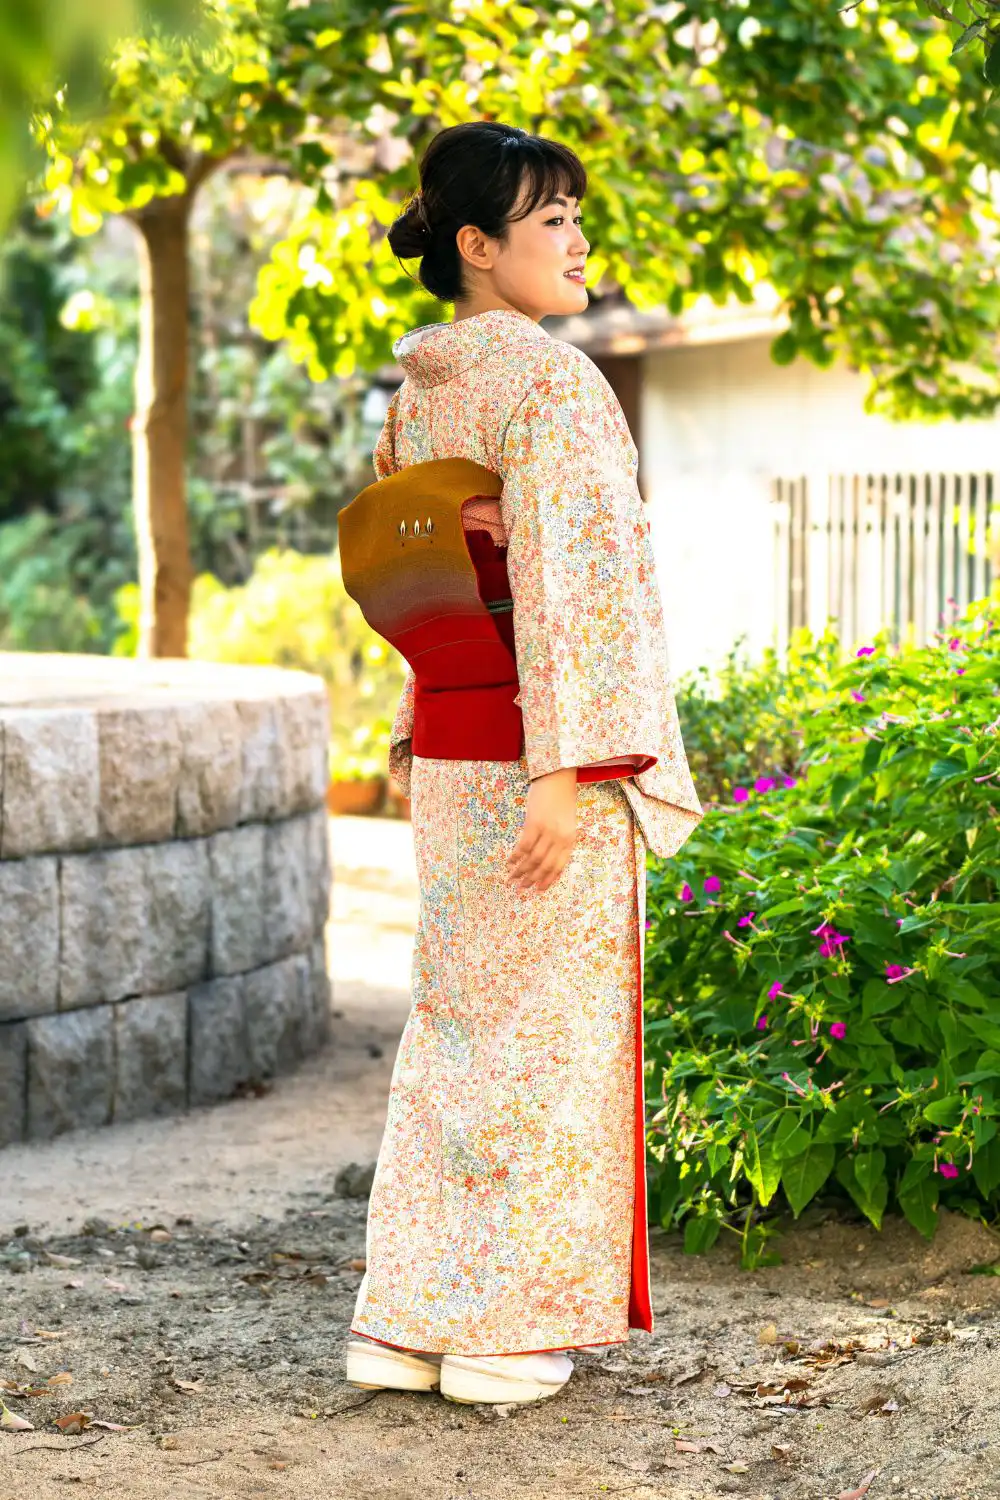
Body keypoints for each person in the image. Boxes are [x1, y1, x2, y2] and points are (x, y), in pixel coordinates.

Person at [339, 120, 703, 1408]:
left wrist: (418, 727)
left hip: (452, 748)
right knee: (548, 1040)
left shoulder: (423, 387)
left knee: (457, 1034)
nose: (578, 239)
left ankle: (405, 1327)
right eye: (551, 219)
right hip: (542, 754)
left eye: (576, 217)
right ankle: (505, 1330)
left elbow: (407, 576)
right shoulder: (551, 385)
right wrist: (569, 766)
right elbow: (579, 589)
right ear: (480, 248)